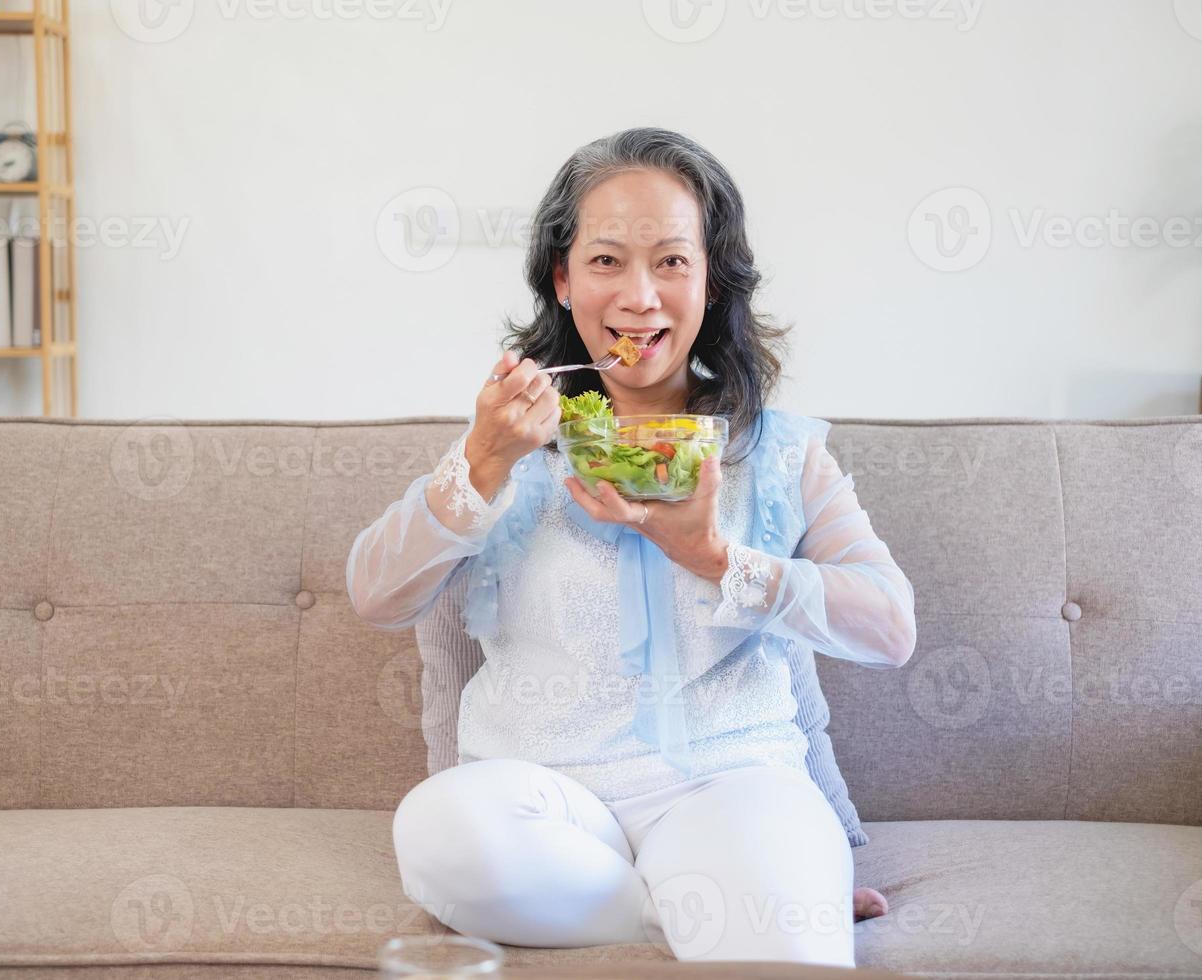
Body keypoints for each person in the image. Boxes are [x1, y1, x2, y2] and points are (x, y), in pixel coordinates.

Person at [346, 127, 913, 965]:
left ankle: (743, 896)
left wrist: (716, 559)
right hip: (538, 799)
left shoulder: (780, 450)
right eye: (608, 261)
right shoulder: (507, 443)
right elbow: (375, 594)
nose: (641, 297)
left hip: (734, 787)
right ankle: (688, 913)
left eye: (673, 262)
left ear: (713, 281)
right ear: (563, 279)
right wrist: (483, 460)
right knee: (439, 828)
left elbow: (890, 628)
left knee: (775, 901)